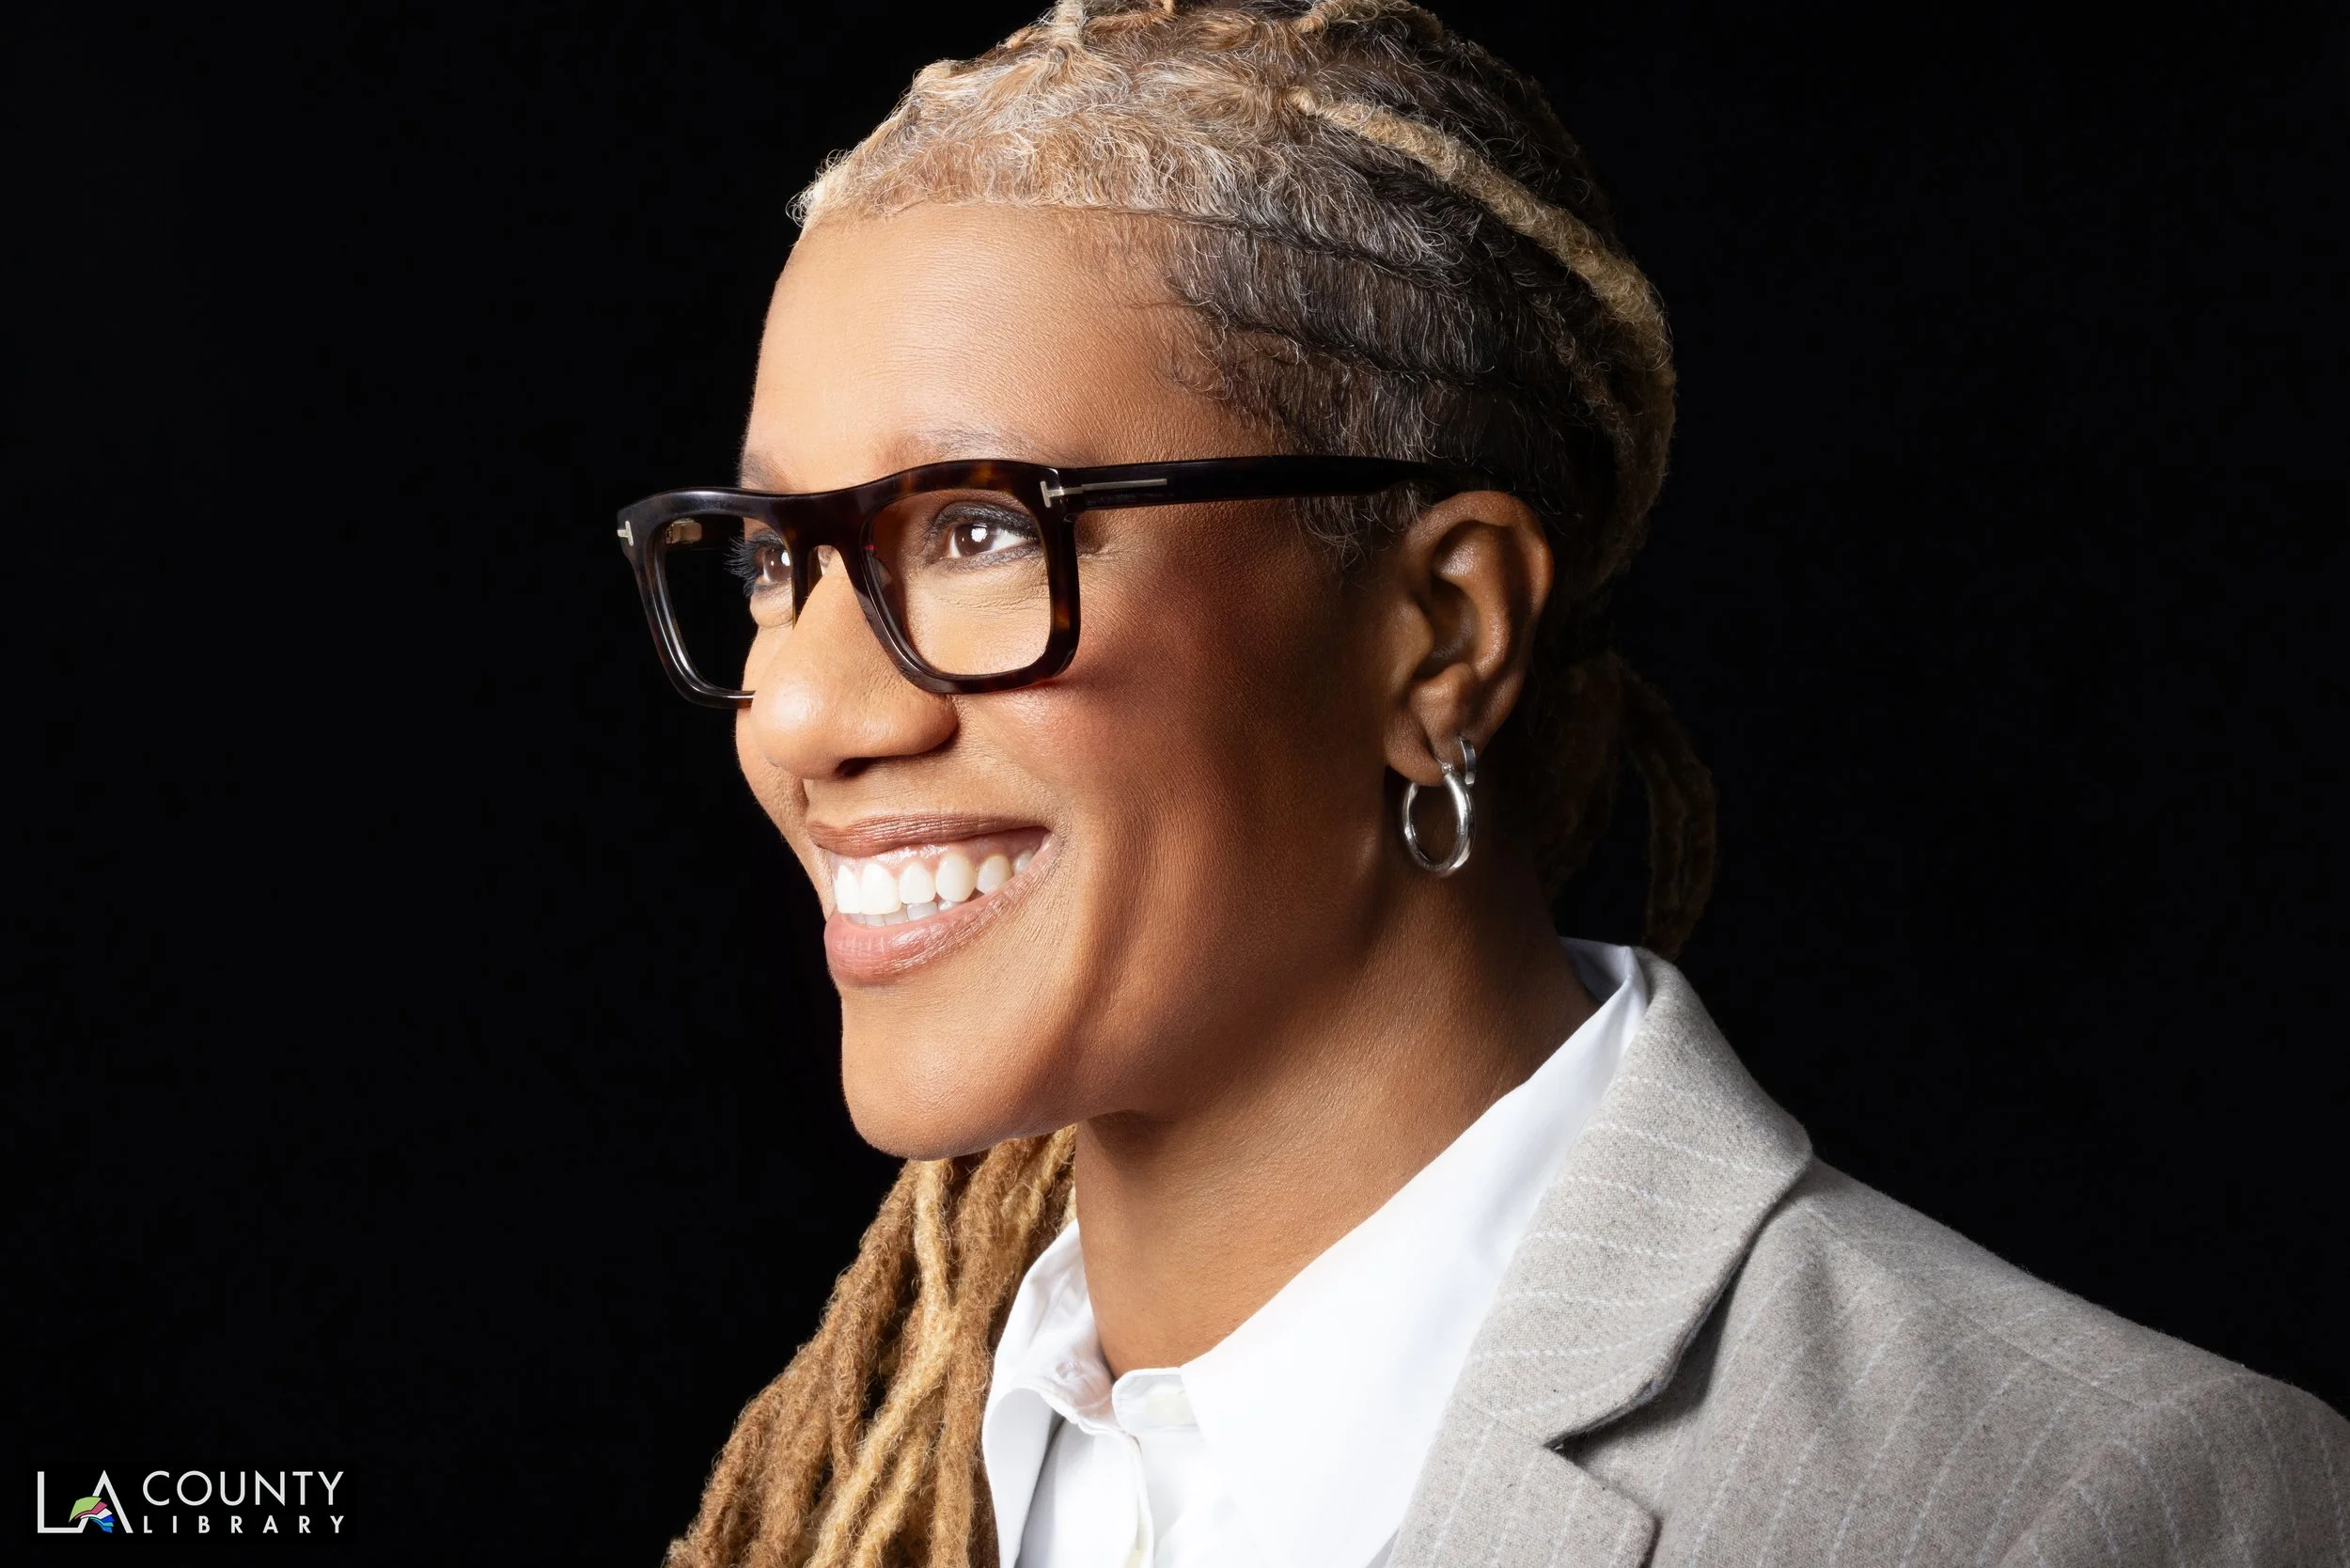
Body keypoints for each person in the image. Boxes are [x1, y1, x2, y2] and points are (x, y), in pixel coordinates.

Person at [616, 3, 2349, 1564]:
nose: (798, 710)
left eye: (979, 531)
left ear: (1440, 634)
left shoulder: (2085, 1505)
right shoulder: (889, 1493)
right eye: (777, 561)